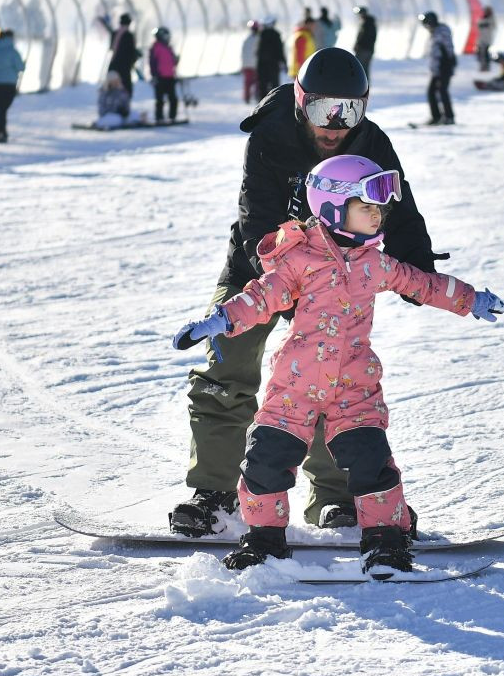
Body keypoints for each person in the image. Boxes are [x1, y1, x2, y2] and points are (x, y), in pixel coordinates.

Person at [173, 155, 504, 574]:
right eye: (365, 205)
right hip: (294, 384)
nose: (377, 214)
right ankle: (264, 539)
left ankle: (385, 541)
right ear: (332, 206)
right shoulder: (298, 260)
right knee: (265, 460)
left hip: (355, 385)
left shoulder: (375, 263)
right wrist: (220, 319)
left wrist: (469, 298)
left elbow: (422, 283)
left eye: (380, 207)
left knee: (372, 462)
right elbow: (262, 296)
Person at [168, 46, 448, 538]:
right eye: (323, 110)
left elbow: (399, 209)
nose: (336, 125)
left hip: (336, 277)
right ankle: (213, 491)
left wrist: (417, 268)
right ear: (301, 102)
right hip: (259, 268)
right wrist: (286, 284)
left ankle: (335, 499)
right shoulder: (270, 136)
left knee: (331, 380)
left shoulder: (370, 141)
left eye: (351, 111)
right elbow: (257, 215)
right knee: (226, 366)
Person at [419, 11, 456, 126]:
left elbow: (446, 51)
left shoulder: (441, 32)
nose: (426, 27)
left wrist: (443, 66)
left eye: (427, 24)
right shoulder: (435, 32)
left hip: (444, 66)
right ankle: (437, 116)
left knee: (442, 91)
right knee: (432, 92)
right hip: (438, 68)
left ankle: (448, 117)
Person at [97, 12, 141, 98]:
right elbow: (131, 52)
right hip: (125, 66)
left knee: (111, 85)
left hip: (114, 64)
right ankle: (122, 106)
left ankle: (111, 104)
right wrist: (134, 59)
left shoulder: (115, 33)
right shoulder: (129, 35)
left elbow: (112, 48)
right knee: (125, 87)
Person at [148, 27, 179, 124]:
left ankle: (172, 117)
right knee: (160, 100)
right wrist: (154, 76)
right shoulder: (155, 48)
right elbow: (152, 63)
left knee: (173, 99)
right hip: (160, 77)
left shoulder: (169, 48)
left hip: (170, 77)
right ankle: (159, 117)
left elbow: (172, 62)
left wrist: (176, 60)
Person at [256, 16, 287, 99]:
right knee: (274, 85)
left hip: (262, 64)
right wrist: (284, 62)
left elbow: (258, 51)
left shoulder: (261, 35)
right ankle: (274, 101)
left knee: (263, 84)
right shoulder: (276, 35)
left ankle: (262, 102)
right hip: (273, 64)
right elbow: (280, 51)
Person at [352, 6, 377, 80]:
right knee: (365, 69)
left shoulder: (366, 24)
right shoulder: (371, 23)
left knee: (358, 67)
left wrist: (358, 45)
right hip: (369, 50)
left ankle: (359, 85)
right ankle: (365, 86)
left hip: (363, 50)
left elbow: (363, 37)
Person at [291, 14, 317, 79]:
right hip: (300, 71)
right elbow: (300, 55)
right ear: (307, 24)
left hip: (305, 69)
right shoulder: (302, 36)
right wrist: (302, 69)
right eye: (312, 25)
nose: (314, 27)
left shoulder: (307, 35)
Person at [241, 20, 260, 104]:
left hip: (246, 65)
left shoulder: (246, 39)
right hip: (255, 64)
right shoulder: (259, 39)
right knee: (257, 82)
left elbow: (243, 53)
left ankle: (247, 97)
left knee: (247, 83)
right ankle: (256, 96)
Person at [476, 6, 496, 72]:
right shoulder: (483, 18)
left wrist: (484, 24)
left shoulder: (491, 18)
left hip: (487, 39)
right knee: (480, 53)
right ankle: (483, 66)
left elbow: (492, 26)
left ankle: (486, 67)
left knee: (485, 53)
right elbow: (478, 24)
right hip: (481, 39)